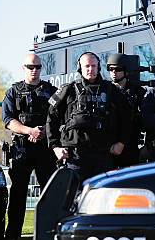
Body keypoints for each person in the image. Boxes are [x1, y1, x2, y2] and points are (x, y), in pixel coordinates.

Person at [46, 52, 131, 182]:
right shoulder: (68, 90)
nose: (90, 69)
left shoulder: (111, 90)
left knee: (102, 194)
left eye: (93, 66)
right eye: (87, 66)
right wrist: (55, 147)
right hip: (75, 155)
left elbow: (126, 118)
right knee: (76, 197)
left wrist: (121, 142)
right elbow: (51, 118)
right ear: (80, 68)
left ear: (98, 67)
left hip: (103, 154)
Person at [1, 53, 57, 240]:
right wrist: (29, 131)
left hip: (46, 149)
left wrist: (42, 130)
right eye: (30, 67)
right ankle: (13, 235)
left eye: (38, 67)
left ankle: (49, 234)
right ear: (23, 68)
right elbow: (8, 120)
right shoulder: (13, 92)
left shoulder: (52, 91)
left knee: (50, 193)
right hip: (21, 149)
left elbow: (59, 117)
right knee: (17, 193)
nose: (34, 70)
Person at [107, 53, 147, 168]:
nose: (114, 72)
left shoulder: (138, 92)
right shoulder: (105, 91)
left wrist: (146, 146)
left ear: (126, 71)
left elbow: (146, 119)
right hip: (109, 146)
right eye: (111, 69)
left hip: (131, 144)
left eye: (118, 69)